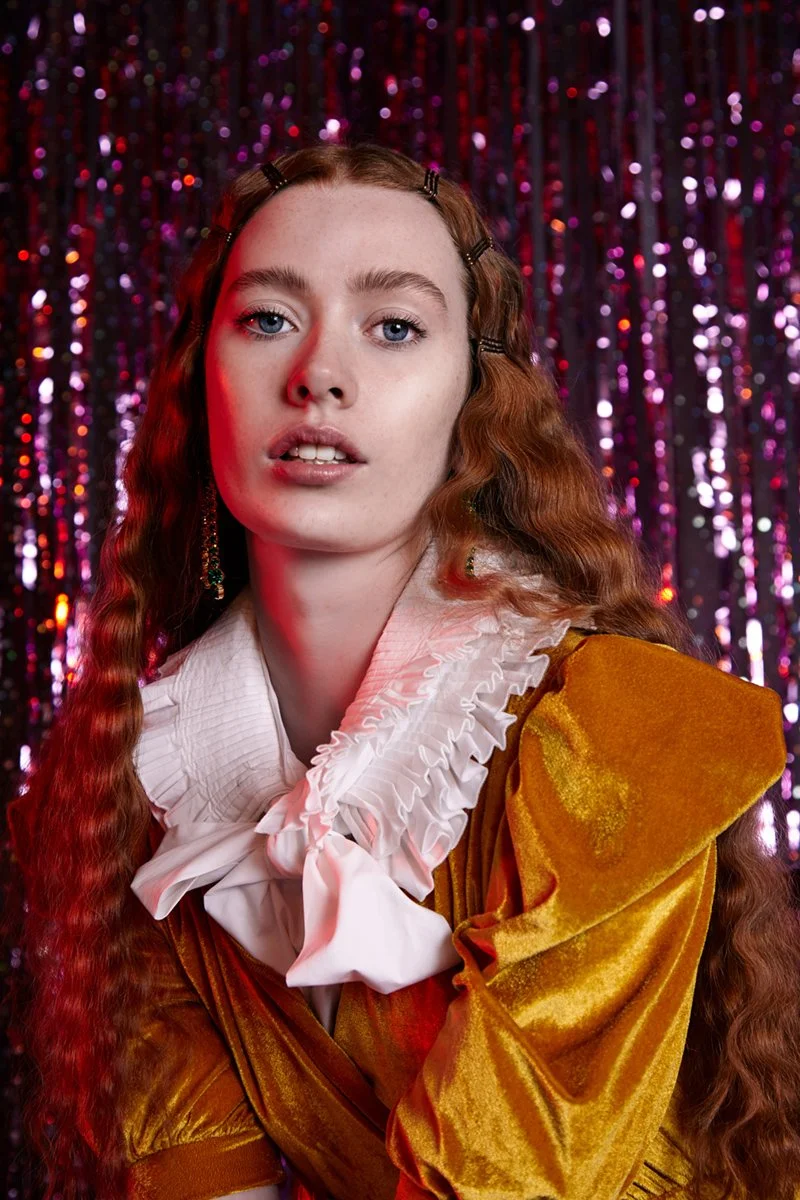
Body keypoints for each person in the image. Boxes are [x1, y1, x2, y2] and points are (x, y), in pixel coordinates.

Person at [7, 142, 800, 1200]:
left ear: (472, 401)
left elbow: (515, 1178)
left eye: (392, 327)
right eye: (267, 319)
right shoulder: (147, 787)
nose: (318, 373)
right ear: (204, 377)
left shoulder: (616, 739)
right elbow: (198, 1175)